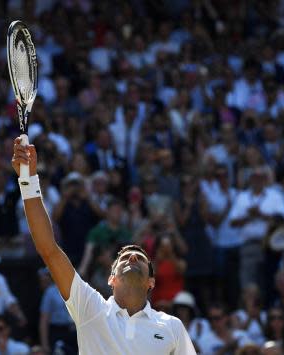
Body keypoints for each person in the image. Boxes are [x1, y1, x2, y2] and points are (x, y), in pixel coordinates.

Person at [11, 137, 196, 354]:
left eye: (140, 257)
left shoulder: (172, 327)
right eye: (124, 258)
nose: (132, 257)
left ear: (151, 282)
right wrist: (28, 180)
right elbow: (48, 250)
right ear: (111, 279)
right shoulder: (91, 308)